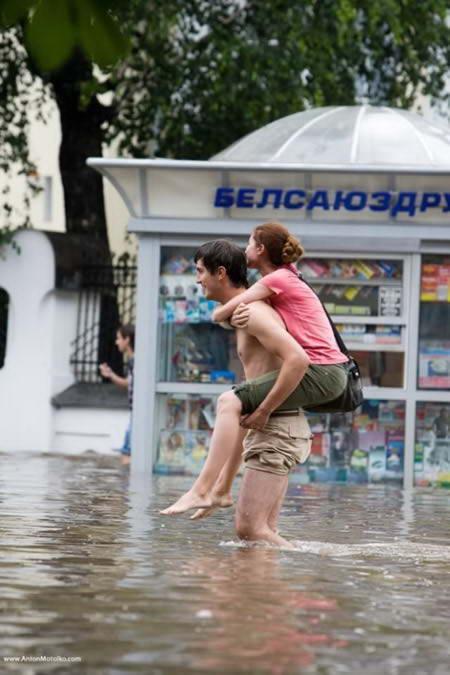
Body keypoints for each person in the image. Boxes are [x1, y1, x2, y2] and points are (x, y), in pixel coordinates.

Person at [162, 225, 348, 520]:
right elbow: (242, 417)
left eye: (200, 271)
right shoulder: (250, 306)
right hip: (274, 427)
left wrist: (262, 410)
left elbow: (296, 360)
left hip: (278, 428)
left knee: (253, 532)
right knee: (256, 536)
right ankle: (217, 490)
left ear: (220, 272)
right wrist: (223, 489)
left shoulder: (254, 311)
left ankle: (201, 489)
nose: (197, 279)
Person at [99, 324, 135, 465]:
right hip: (135, 414)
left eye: (119, 338)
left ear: (127, 340)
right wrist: (111, 375)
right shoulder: (133, 361)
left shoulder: (136, 361)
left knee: (127, 455)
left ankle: (128, 486)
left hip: (137, 416)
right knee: (127, 454)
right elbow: (129, 383)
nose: (116, 342)